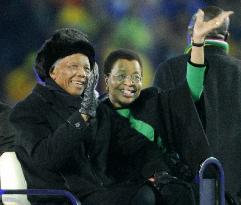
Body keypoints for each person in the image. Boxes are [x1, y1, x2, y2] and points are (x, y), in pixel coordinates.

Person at [10, 28, 196, 205]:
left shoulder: (98, 110)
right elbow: (47, 158)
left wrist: (161, 172)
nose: (82, 74)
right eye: (73, 66)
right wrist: (82, 116)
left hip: (103, 192)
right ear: (52, 71)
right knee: (143, 197)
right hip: (64, 198)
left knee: (179, 193)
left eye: (86, 68)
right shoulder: (27, 112)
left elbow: (136, 145)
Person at [153, 6, 241, 204]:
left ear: (190, 34)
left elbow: (158, 134)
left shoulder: (169, 70)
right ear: (225, 37)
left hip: (187, 192)